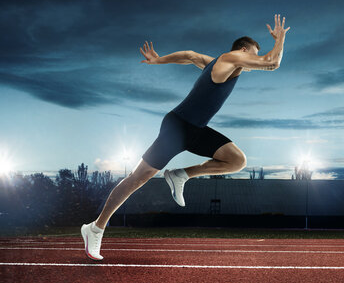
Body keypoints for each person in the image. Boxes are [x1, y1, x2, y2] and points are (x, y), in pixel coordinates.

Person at [81, 14, 290, 260]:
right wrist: (281, 38)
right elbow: (272, 63)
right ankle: (95, 228)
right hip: (177, 127)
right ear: (243, 51)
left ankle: (181, 175)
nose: (253, 61)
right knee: (138, 178)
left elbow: (190, 55)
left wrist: (160, 60)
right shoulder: (229, 58)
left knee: (236, 160)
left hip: (196, 129)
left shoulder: (219, 64)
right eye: (252, 54)